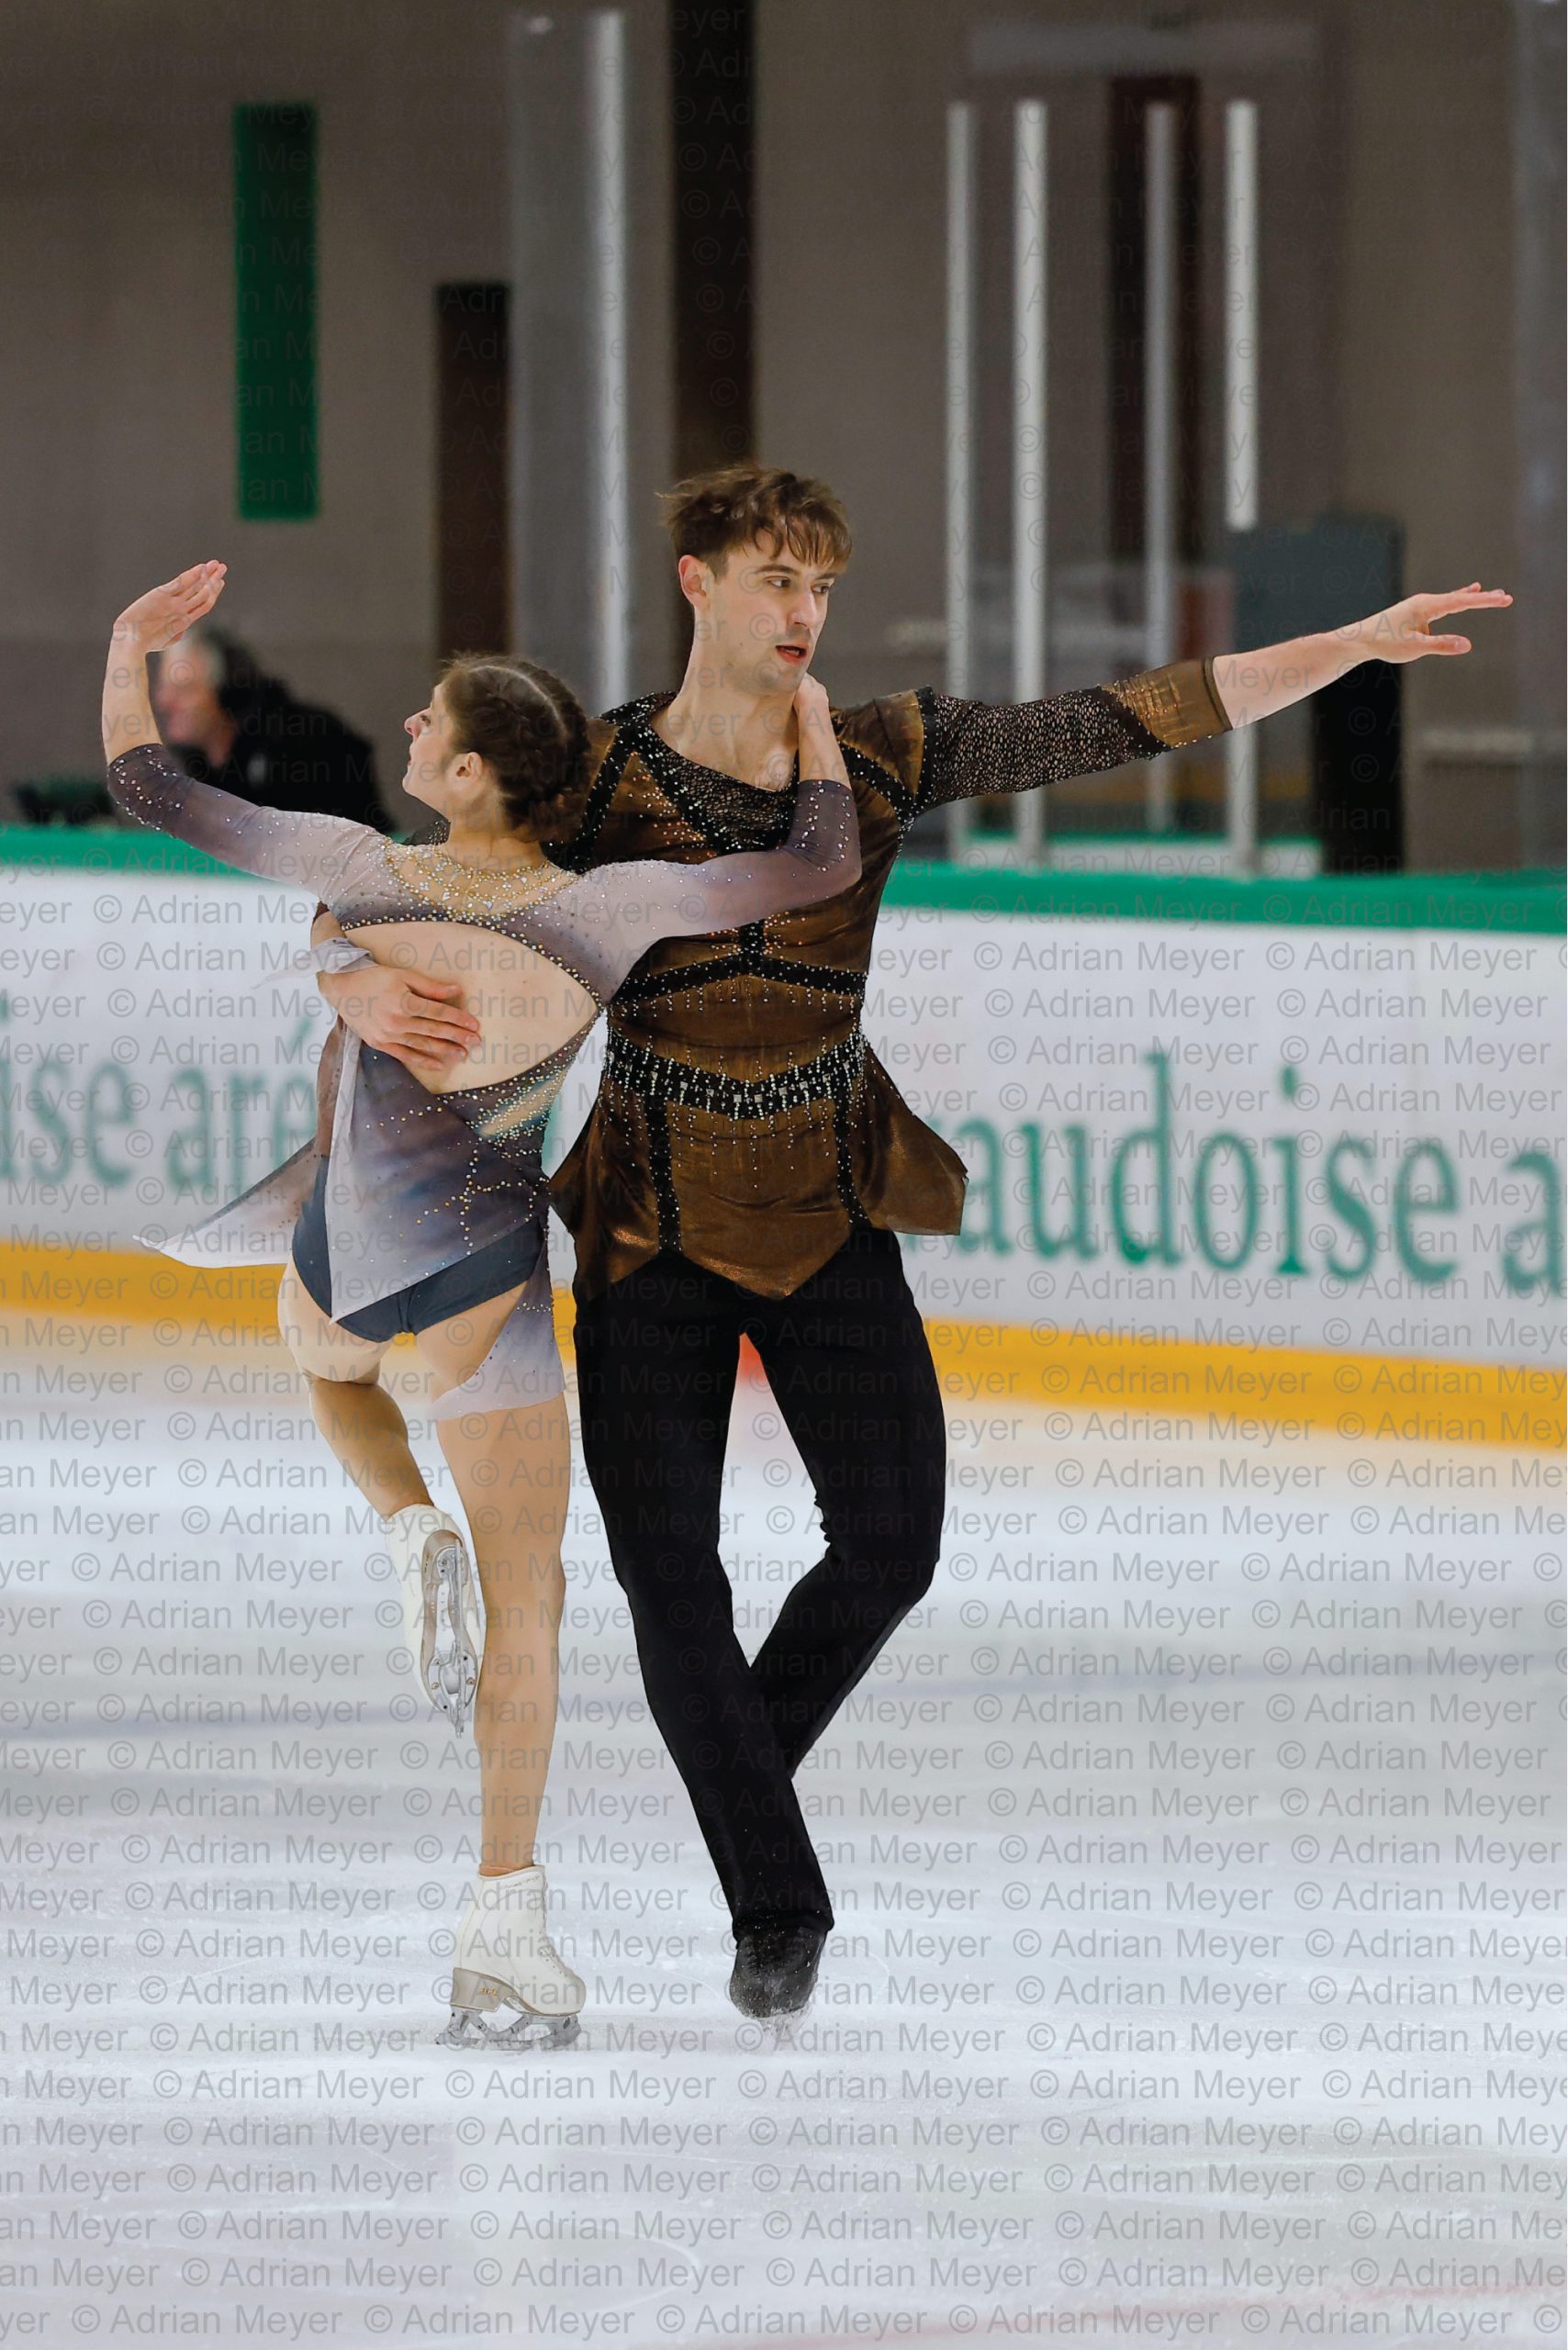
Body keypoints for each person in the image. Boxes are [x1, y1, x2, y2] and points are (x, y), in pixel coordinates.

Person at [314, 462, 1512, 2020]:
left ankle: (737, 1774)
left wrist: (1349, 642)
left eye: (821, 584)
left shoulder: (884, 753)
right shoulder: (592, 774)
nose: (804, 610)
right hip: (647, 1217)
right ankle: (775, 1904)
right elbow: (415, 872)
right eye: (775, 579)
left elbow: (1131, 715)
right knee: (665, 1579)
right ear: (698, 582)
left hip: (827, 1198)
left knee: (891, 1546)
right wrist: (342, 975)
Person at [99, 556, 862, 2046]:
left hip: (340, 1258)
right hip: (486, 1282)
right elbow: (819, 858)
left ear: (459, 772)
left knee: (322, 1369)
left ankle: (400, 1526)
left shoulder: (363, 872)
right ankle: (502, 1925)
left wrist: (135, 641)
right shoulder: (607, 910)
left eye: (427, 719)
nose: (401, 721)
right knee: (536, 1603)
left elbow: (145, 783)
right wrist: (812, 709)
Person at [151, 620, 387, 831]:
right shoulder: (195, 764)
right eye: (164, 688)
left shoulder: (308, 742)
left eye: (184, 689)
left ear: (228, 693)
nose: (165, 702)